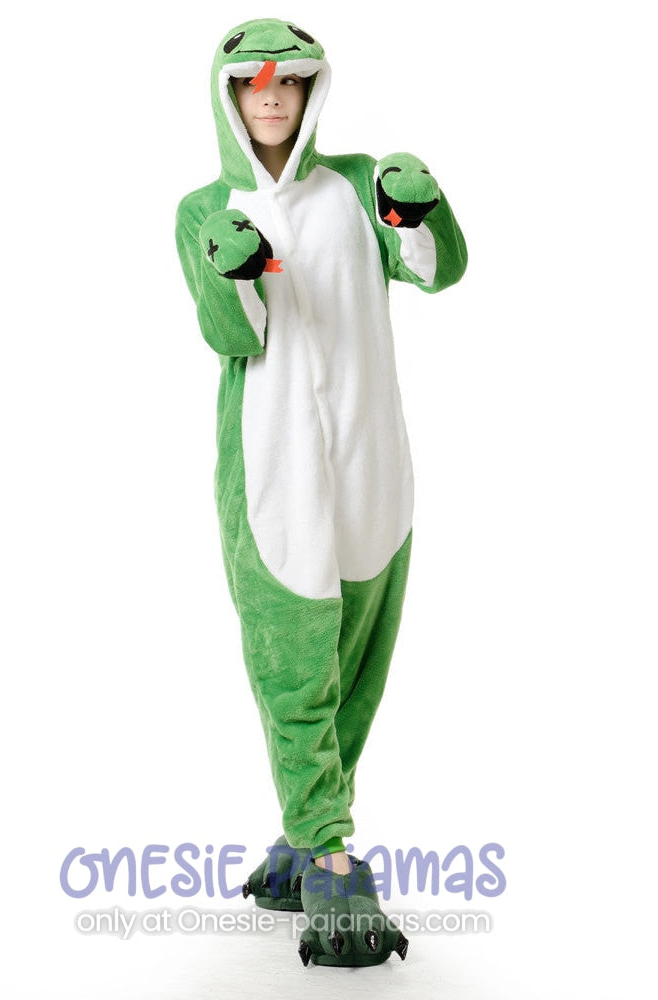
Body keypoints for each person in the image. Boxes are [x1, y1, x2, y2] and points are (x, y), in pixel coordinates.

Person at [175, 17, 467, 968]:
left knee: (355, 669)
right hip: (273, 472)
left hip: (372, 465)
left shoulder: (355, 182)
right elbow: (231, 334)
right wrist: (233, 269)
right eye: (252, 83)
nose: (270, 95)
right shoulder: (204, 208)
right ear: (228, 96)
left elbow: (437, 269)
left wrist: (418, 211)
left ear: (310, 90)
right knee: (294, 673)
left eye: (288, 80)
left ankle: (303, 837)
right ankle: (333, 863)